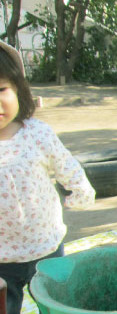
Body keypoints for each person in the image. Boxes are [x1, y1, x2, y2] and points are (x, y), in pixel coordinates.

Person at [0, 41, 95, 314]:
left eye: (1, 89)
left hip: (47, 247)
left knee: (59, 307)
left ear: (17, 87)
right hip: (1, 261)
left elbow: (68, 168)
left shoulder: (37, 133)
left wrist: (80, 196)